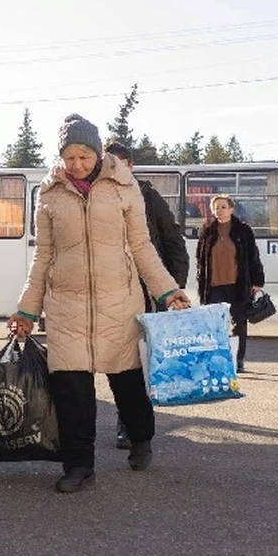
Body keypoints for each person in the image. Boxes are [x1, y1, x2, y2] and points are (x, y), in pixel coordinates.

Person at [7, 114, 190, 494]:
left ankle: (141, 437)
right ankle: (79, 465)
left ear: (97, 152)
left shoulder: (124, 186)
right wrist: (27, 309)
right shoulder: (50, 193)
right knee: (72, 391)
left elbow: (142, 246)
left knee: (127, 385)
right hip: (66, 305)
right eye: (69, 158)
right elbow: (42, 256)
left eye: (84, 157)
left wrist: (167, 290)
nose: (76, 165)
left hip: (118, 302)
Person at [105, 140, 189, 450]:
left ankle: (138, 426)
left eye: (118, 162)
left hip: (149, 295)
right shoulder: (101, 195)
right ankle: (126, 423)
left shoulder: (149, 196)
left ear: (129, 165)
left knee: (142, 363)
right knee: (122, 363)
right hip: (115, 294)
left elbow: (174, 243)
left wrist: (171, 288)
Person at [195, 194, 264, 373]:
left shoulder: (243, 231)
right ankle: (216, 360)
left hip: (237, 285)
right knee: (214, 324)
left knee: (239, 324)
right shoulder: (207, 231)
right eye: (216, 208)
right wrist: (200, 283)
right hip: (213, 286)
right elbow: (200, 260)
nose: (220, 211)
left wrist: (257, 281)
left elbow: (253, 257)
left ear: (231, 209)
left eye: (223, 207)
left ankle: (237, 359)